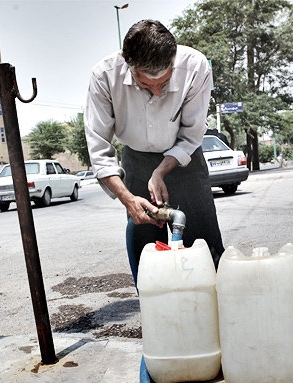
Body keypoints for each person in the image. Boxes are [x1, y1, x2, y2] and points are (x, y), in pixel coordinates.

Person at [84, 19, 225, 284]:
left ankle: (213, 312)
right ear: (128, 61)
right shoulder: (103, 76)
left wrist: (161, 171)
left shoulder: (195, 66)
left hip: (185, 160)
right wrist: (128, 199)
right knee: (148, 255)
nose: (157, 92)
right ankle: (159, 313)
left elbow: (192, 133)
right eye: (147, 84)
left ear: (173, 59)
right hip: (135, 161)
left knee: (206, 250)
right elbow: (99, 151)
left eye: (164, 82)